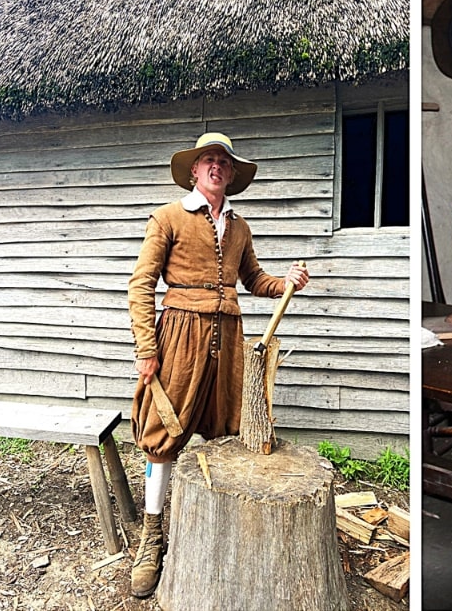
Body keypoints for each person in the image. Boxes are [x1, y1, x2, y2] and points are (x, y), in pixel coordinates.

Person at [126, 133, 310, 597]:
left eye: (223, 162)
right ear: (193, 170)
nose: (216, 167)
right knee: (162, 432)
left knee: (225, 428)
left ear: (231, 174)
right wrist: (147, 349)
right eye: (208, 160)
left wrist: (285, 281)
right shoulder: (167, 217)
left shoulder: (240, 227)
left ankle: (216, 529)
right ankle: (152, 536)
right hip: (181, 336)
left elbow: (254, 280)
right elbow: (141, 285)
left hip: (229, 338)